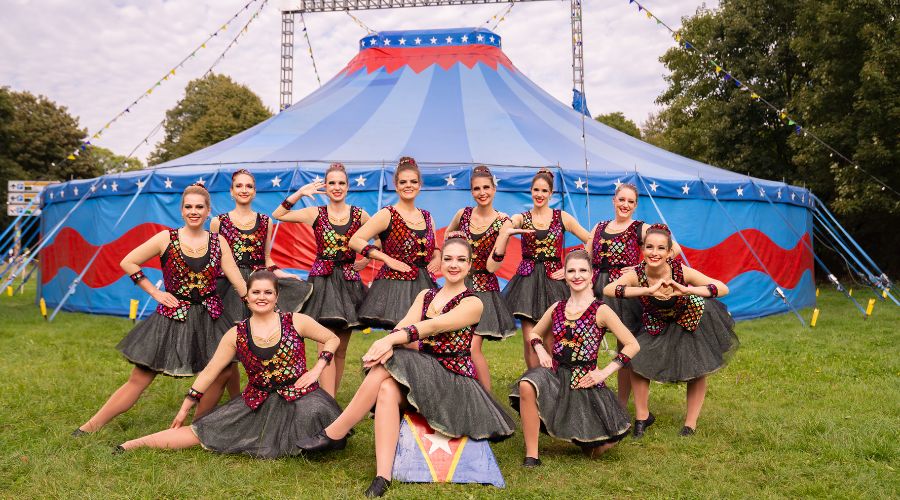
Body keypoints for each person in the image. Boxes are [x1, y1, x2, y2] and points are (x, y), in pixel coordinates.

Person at [298, 234, 515, 498]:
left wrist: (390, 340)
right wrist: (393, 339)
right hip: (423, 374)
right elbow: (404, 325)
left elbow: (432, 326)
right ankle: (383, 476)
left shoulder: (473, 303)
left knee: (390, 360)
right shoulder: (425, 295)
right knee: (387, 389)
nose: (454, 264)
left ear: (470, 265)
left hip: (454, 382)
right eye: (448, 259)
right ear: (440, 262)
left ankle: (336, 431)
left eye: (461, 260)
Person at [74, 184, 247, 435]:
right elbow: (128, 261)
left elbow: (237, 280)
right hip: (173, 318)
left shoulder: (218, 241)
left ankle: (198, 428)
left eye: (199, 207)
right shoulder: (166, 238)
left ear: (208, 211)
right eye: (189, 207)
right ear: (182, 210)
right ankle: (88, 428)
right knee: (140, 378)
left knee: (222, 372)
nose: (194, 211)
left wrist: (259, 304)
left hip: (211, 318)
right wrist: (155, 292)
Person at [113, 270, 343, 458]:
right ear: (247, 296)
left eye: (268, 292)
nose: (261, 297)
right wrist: (185, 408)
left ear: (277, 296)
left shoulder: (296, 321)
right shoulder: (236, 334)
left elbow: (332, 338)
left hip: (300, 395)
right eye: (256, 292)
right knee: (204, 430)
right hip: (257, 399)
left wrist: (317, 369)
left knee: (313, 415)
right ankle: (131, 444)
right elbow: (211, 371)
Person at [604, 224, 739, 437]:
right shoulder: (638, 274)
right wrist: (647, 290)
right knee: (637, 361)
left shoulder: (680, 270)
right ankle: (642, 417)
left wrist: (687, 289)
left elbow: (722, 287)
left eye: (660, 248)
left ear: (669, 252)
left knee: (697, 366)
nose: (654, 253)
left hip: (690, 318)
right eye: (649, 247)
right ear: (643, 249)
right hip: (657, 321)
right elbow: (609, 289)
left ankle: (690, 424)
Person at [510, 250, 639, 465]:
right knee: (526, 384)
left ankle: (593, 435)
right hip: (556, 375)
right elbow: (534, 333)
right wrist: (541, 351)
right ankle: (532, 455)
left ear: (591, 275)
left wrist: (603, 372)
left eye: (582, 271)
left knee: (595, 450)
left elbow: (633, 344)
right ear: (565, 275)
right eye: (571, 271)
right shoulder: (557, 307)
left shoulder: (601, 310)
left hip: (584, 380)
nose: (577, 275)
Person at [272, 162, 371, 396]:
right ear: (325, 187)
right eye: (332, 183)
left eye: (341, 183)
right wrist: (299, 193)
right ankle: (327, 405)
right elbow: (279, 214)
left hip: (348, 282)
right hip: (323, 282)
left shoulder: (360, 215)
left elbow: (379, 236)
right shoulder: (315, 212)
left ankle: (331, 403)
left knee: (341, 350)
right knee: (324, 345)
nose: (336, 187)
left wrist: (366, 259)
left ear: (347, 187)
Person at [586, 182, 681, 406]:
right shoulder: (599, 227)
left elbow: (672, 247)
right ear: (614, 200)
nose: (625, 205)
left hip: (623, 293)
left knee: (623, 346)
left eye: (630, 201)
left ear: (636, 205)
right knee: (588, 342)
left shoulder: (640, 227)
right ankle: (587, 394)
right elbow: (586, 257)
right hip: (596, 290)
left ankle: (620, 403)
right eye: (622, 200)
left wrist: (643, 268)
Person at [502, 168, 591, 369]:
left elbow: (591, 240)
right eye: (536, 190)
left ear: (550, 193)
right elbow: (508, 224)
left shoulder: (562, 217)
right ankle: (534, 382)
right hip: (527, 283)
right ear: (531, 191)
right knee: (529, 339)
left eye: (544, 191)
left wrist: (571, 265)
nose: (539, 195)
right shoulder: (522, 217)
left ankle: (552, 384)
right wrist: (508, 224)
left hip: (553, 281)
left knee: (551, 340)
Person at [445, 165, 522, 390]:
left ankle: (486, 399)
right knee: (455, 344)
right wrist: (449, 249)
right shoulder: (463, 214)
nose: (482, 192)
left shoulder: (503, 222)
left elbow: (492, 266)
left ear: (494, 189)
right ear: (471, 191)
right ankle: (462, 392)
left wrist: (504, 238)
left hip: (484, 290)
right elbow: (448, 237)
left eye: (486, 187)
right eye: (477, 188)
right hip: (460, 286)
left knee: (471, 346)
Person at [350, 157, 439, 329]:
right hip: (395, 286)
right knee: (402, 336)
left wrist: (438, 257)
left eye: (413, 181)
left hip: (424, 283)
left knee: (422, 338)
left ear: (420, 185)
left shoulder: (427, 216)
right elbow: (355, 240)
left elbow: (434, 247)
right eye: (403, 182)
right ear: (396, 186)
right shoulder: (387, 214)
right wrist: (386, 259)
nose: (409, 185)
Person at [213, 169, 312, 321]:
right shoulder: (218, 222)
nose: (244, 190)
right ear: (231, 191)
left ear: (254, 191)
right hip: (229, 286)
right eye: (239, 186)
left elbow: (266, 259)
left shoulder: (266, 222)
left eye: (249, 186)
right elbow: (214, 260)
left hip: (258, 284)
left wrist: (284, 275)